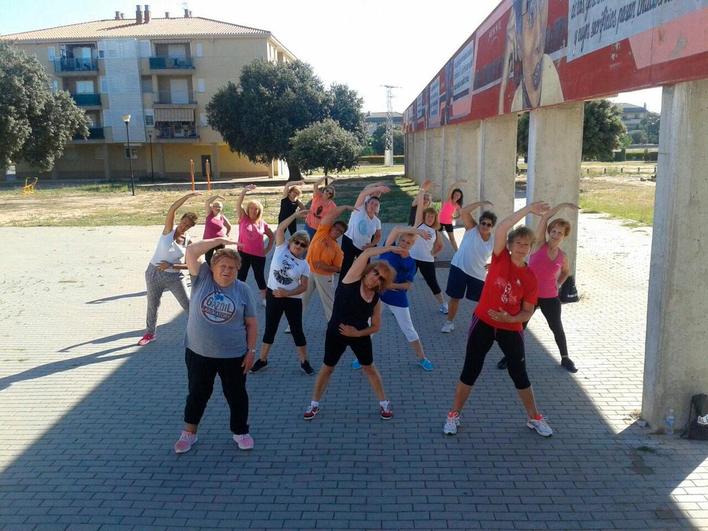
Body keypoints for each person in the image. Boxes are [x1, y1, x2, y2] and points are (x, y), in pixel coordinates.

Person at [442, 201, 554, 438]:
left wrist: (510, 317)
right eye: (518, 243)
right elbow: (503, 227)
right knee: (470, 370)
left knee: (519, 373)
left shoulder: (530, 278)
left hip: (510, 328)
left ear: (531, 248)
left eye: (527, 244)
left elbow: (527, 312)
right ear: (510, 246)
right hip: (483, 322)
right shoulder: (500, 258)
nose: (522, 247)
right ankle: (453, 415)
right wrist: (528, 209)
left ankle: (534, 417)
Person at [174, 239, 258, 454]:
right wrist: (220, 241)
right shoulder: (202, 278)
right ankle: (189, 433)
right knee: (197, 394)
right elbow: (192, 250)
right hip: (199, 352)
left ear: (238, 269)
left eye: (232, 267)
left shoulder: (243, 290)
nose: (227, 270)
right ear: (212, 267)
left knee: (237, 395)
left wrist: (251, 351)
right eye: (222, 266)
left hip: (234, 355)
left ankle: (240, 432)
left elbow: (251, 323)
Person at [303, 246, 398, 421]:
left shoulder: (376, 299)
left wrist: (357, 333)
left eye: (381, 278)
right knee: (327, 368)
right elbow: (367, 253)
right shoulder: (351, 280)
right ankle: (314, 404)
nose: (375, 277)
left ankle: (384, 404)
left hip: (359, 336)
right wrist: (393, 248)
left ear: (382, 283)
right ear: (369, 271)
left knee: (369, 368)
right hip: (336, 333)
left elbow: (376, 326)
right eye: (375, 272)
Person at [497, 203, 579, 372]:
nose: (555, 235)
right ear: (549, 232)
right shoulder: (539, 244)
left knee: (557, 328)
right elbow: (545, 217)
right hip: (529, 296)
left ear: (564, 236)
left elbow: (565, 271)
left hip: (550, 297)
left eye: (560, 233)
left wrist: (558, 283)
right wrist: (562, 205)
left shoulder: (563, 256)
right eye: (553, 231)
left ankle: (565, 358)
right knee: (519, 326)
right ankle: (509, 356)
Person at [250, 210, 315, 375]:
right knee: (270, 329)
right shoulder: (282, 248)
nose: (298, 246)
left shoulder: (304, 265)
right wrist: (294, 216)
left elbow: (304, 287)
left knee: (297, 330)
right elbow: (280, 229)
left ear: (305, 248)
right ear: (292, 241)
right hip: (273, 296)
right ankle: (263, 360)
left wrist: (287, 293)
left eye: (303, 245)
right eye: (297, 242)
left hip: (292, 299)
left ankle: (304, 362)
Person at [138, 191, 200, 347]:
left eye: (187, 225)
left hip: (175, 278)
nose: (183, 226)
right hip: (153, 273)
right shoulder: (168, 231)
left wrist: (172, 266)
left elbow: (190, 265)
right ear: (180, 220)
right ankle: (149, 334)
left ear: (190, 227)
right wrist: (187, 196)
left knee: (188, 305)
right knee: (153, 304)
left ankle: (201, 331)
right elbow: (172, 209)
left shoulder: (189, 242)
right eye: (183, 222)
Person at [375, 225, 434, 371]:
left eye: (408, 243)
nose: (404, 244)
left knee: (408, 329)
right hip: (379, 296)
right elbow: (395, 229)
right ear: (398, 240)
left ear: (412, 245)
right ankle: (361, 357)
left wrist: (390, 285)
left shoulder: (410, 262)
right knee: (370, 325)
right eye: (402, 240)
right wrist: (418, 231)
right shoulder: (388, 248)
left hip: (397, 298)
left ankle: (422, 358)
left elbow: (408, 286)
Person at [498, 0, 563, 113]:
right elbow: (503, 84)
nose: (538, 33)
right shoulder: (517, 100)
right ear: (517, 39)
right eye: (530, 20)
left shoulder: (549, 75)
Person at [441, 201, 496, 333]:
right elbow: (464, 211)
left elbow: (499, 256)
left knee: (483, 300)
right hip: (459, 267)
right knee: (455, 297)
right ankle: (449, 323)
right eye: (483, 223)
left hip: (477, 273)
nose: (485, 226)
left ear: (492, 226)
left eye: (489, 224)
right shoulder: (472, 229)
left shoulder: (493, 240)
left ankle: (484, 324)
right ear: (480, 222)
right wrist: (480, 204)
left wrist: (492, 264)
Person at [302, 204, 352, 321]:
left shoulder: (338, 250)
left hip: (324, 276)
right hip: (308, 271)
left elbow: (338, 268)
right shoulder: (322, 232)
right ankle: (293, 325)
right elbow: (330, 216)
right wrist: (344, 208)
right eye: (336, 228)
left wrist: (326, 267)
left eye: (340, 231)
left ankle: (333, 324)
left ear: (341, 234)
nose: (337, 231)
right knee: (302, 299)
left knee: (329, 301)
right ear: (331, 227)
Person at [339, 182, 391, 283]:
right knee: (346, 268)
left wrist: (372, 244)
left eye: (376, 205)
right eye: (371, 203)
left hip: (364, 248)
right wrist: (379, 186)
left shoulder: (377, 221)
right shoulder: (359, 209)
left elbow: (378, 235)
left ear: (378, 208)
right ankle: (342, 288)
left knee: (364, 270)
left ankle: (360, 289)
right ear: (367, 203)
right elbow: (363, 193)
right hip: (349, 242)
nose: (373, 205)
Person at [409, 184, 448, 314]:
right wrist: (422, 191)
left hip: (427, 261)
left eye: (432, 217)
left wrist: (433, 253)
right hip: (412, 258)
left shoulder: (435, 231)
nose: (430, 219)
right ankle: (396, 305)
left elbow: (441, 246)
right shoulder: (419, 224)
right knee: (405, 280)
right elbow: (420, 207)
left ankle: (443, 304)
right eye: (428, 217)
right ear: (424, 217)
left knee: (433, 283)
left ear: (435, 219)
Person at [235, 184, 274, 305]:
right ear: (248, 209)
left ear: (259, 211)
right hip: (243, 253)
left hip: (258, 255)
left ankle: (265, 298)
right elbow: (238, 204)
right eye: (251, 208)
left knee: (259, 277)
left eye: (256, 208)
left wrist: (267, 249)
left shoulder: (263, 223)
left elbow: (272, 236)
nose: (253, 210)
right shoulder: (243, 218)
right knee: (241, 275)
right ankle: (237, 297)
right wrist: (244, 191)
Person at [202, 195, 232, 265]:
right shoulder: (209, 214)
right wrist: (217, 196)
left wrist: (227, 234)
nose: (217, 208)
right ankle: (210, 274)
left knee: (220, 259)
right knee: (208, 260)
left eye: (219, 207)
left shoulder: (222, 217)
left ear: (221, 208)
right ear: (212, 207)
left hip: (220, 241)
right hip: (208, 241)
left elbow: (229, 226)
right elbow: (207, 202)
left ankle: (218, 273)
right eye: (215, 206)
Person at [438, 180, 466, 252]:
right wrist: (458, 182)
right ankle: (433, 254)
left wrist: (454, 217)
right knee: (437, 238)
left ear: (460, 197)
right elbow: (450, 188)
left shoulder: (457, 205)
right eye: (456, 194)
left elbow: (460, 214)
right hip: (439, 221)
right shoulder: (449, 200)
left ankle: (457, 253)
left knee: (452, 239)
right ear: (453, 194)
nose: (457, 196)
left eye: (459, 195)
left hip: (448, 223)